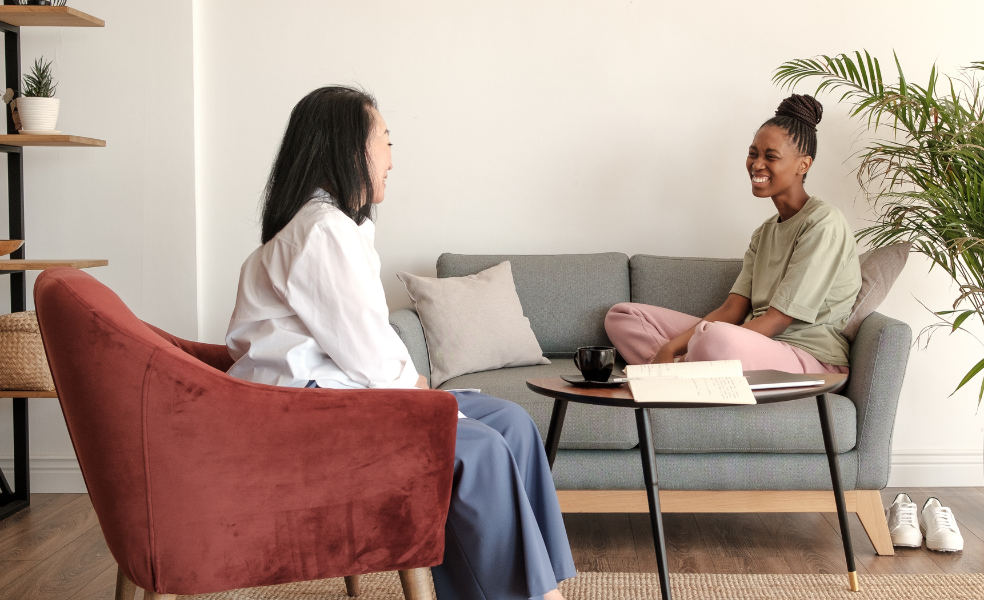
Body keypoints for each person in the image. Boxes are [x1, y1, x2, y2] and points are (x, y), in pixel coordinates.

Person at [225, 86, 575, 600]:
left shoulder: (335, 227)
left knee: (514, 425)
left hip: (343, 394)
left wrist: (431, 399)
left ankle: (529, 586)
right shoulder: (320, 233)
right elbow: (369, 353)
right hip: (310, 412)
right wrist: (431, 403)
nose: (392, 158)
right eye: (386, 141)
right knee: (480, 449)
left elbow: (363, 348)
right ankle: (525, 595)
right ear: (350, 151)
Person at [605, 94, 861, 375]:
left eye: (770, 156)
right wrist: (669, 349)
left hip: (809, 358)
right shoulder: (763, 233)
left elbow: (778, 320)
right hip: (750, 344)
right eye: (753, 153)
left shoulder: (824, 222)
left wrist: (703, 342)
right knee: (623, 316)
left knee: (715, 338)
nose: (757, 164)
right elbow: (731, 310)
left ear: (804, 164)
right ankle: (680, 371)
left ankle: (677, 372)